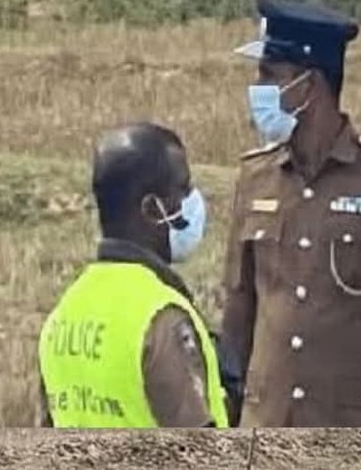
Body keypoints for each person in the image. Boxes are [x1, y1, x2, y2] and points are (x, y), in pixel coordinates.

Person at [222, 0, 361, 427]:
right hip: (264, 432)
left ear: (309, 84)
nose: (258, 88)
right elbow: (237, 317)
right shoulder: (255, 177)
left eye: (270, 75)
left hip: (352, 437)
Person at [38, 123, 233, 428]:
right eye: (182, 190)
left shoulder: (63, 316)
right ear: (151, 209)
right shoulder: (160, 316)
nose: (193, 202)